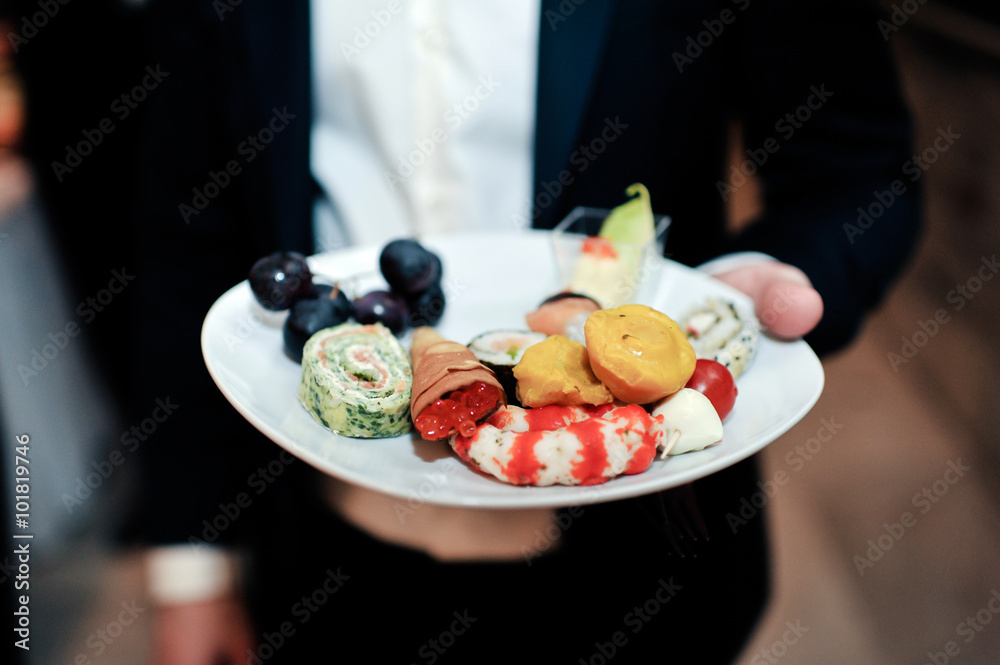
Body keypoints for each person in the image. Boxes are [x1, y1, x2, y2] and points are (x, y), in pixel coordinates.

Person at [132, 1, 921, 663]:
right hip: (320, 557)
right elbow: (183, 238)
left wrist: (748, 289)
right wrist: (190, 560)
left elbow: (858, 166)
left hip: (642, 562)